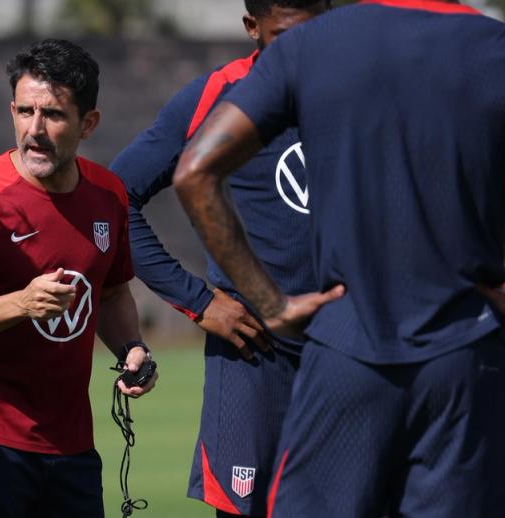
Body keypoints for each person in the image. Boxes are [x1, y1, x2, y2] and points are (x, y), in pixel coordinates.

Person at [173, 1, 505, 516]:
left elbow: (195, 171)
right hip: (465, 354)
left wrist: (271, 304)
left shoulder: (311, 44)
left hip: (347, 350)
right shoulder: (492, 46)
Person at [109, 1, 335, 516]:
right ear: (252, 29)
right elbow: (117, 197)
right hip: (255, 357)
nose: (304, 53)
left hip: (350, 347)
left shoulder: (365, 89)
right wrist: (198, 301)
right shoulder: (217, 96)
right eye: (285, 37)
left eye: (318, 32)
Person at [0, 39, 157, 518]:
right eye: (25, 111)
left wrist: (132, 348)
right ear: (11, 110)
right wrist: (21, 304)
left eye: (52, 115)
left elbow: (110, 294)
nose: (34, 130)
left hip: (71, 446)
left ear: (88, 123)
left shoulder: (108, 194)